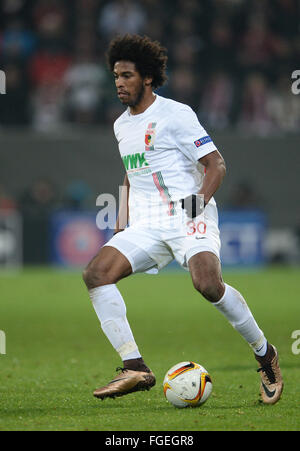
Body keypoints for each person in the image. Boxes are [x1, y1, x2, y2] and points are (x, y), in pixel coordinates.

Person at [83, 34, 283, 405]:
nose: (119, 83)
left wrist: (196, 206)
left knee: (207, 284)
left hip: (190, 210)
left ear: (146, 77)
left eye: (126, 75)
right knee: (96, 274)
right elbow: (131, 172)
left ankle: (264, 353)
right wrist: (122, 218)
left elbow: (216, 165)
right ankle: (135, 367)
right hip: (148, 222)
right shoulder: (120, 125)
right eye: (115, 76)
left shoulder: (176, 114)